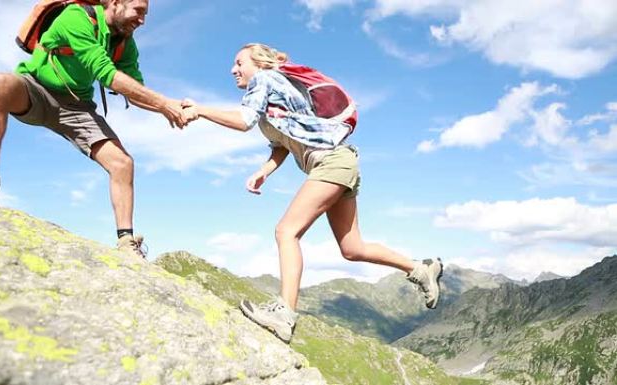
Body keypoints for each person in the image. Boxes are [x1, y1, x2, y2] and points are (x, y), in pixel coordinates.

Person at [181, 43, 443, 343]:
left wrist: (199, 110)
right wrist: (262, 172)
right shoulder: (276, 91)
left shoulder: (263, 80)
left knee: (286, 232)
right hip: (340, 163)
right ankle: (421, 269)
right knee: (352, 249)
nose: (233, 69)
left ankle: (284, 314)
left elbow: (243, 121)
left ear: (259, 63)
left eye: (238, 62)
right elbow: (282, 144)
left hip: (331, 164)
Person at [0, 0, 196, 258]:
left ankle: (126, 243)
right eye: (138, 11)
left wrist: (168, 107)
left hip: (78, 108)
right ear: (117, 3)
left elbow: (136, 91)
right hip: (36, 90)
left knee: (122, 163)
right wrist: (164, 104)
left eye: (145, 14)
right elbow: (105, 73)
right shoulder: (77, 16)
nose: (142, 20)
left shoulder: (125, 45)